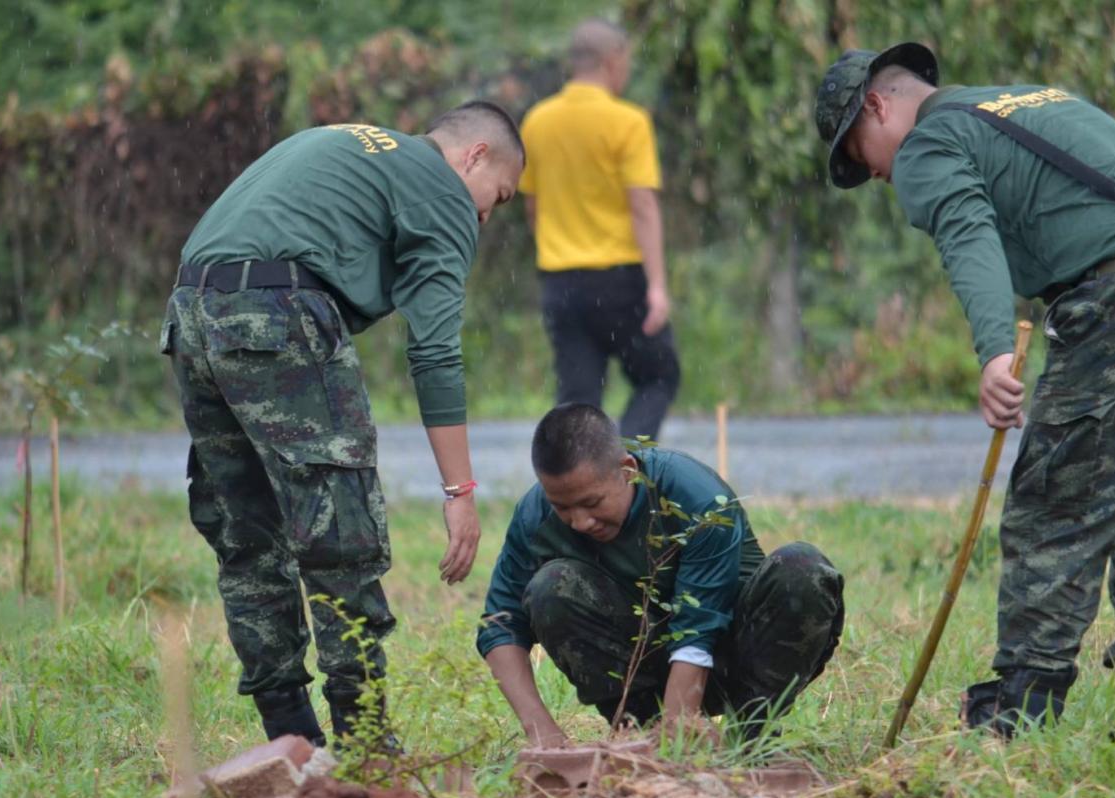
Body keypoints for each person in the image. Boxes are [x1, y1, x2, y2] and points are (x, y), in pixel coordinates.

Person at [816, 43, 1115, 750]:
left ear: (877, 105)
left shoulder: (930, 141)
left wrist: (996, 348)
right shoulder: (1024, 98)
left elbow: (968, 234)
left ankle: (1022, 717)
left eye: (859, 151)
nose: (873, 173)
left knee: (1055, 508)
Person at [161, 101, 525, 749]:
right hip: (275, 311)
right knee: (341, 535)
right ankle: (365, 746)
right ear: (473, 155)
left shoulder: (353, 141)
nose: (483, 217)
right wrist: (460, 492)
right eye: (495, 197)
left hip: (190, 310)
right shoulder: (442, 189)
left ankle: (289, 740)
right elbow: (435, 351)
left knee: (248, 534)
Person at [477, 404, 844, 746]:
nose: (580, 522)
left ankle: (751, 737)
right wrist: (544, 736)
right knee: (550, 587)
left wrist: (680, 732)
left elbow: (698, 630)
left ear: (627, 470)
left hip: (739, 655)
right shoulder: (534, 515)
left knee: (803, 569)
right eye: (563, 508)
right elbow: (500, 623)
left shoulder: (694, 495)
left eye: (592, 503)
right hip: (646, 667)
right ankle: (640, 735)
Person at [518, 19, 681, 441]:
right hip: (620, 281)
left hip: (561, 282)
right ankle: (629, 467)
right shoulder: (627, 121)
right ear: (614, 61)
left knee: (578, 403)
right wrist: (657, 285)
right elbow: (642, 204)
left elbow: (532, 208)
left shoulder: (538, 122)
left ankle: (574, 491)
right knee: (659, 376)